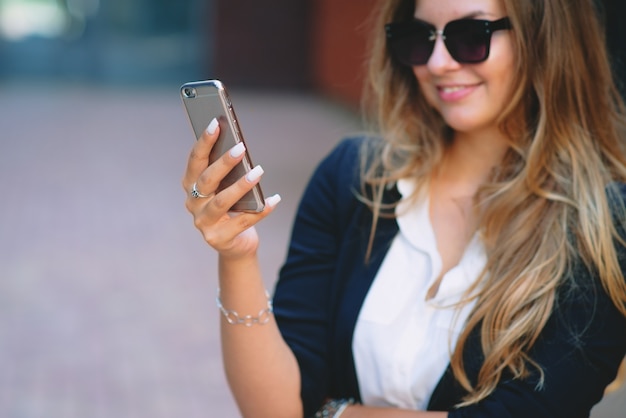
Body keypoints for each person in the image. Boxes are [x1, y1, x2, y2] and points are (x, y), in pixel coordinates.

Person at [182, 0, 626, 416]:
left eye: (471, 35)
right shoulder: (351, 178)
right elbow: (280, 407)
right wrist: (238, 257)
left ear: (544, 36)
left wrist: (333, 412)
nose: (437, 64)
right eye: (419, 37)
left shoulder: (604, 224)